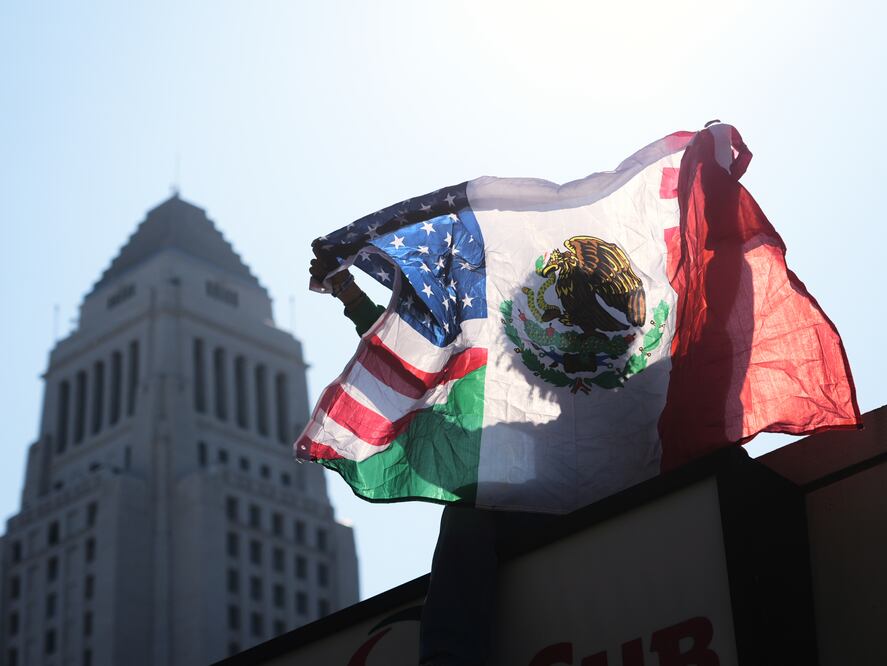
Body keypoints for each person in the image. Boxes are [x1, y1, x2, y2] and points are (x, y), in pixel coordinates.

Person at [310, 251, 561, 666]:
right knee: (467, 514)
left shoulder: (625, 401)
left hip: (600, 519)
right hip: (528, 531)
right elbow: (412, 375)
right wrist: (349, 294)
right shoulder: (499, 419)